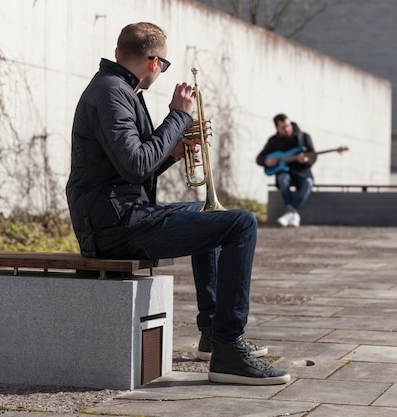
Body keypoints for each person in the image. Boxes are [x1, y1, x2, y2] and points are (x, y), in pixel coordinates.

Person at [65, 22, 289, 385]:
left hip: (120, 215)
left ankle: (213, 332)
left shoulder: (119, 89)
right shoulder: (111, 93)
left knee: (208, 212)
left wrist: (173, 150)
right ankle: (229, 348)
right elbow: (135, 165)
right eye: (165, 64)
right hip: (115, 226)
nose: (163, 70)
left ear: (120, 52)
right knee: (241, 224)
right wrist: (178, 116)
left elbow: (134, 165)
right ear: (154, 62)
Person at [256, 114, 317, 227]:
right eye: (283, 127)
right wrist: (266, 161)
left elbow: (313, 157)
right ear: (277, 128)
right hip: (284, 172)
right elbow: (259, 158)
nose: (287, 129)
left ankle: (290, 212)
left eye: (288, 125)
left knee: (308, 182)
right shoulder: (273, 141)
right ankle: (293, 214)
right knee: (283, 179)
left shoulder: (303, 137)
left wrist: (306, 160)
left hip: (302, 172)